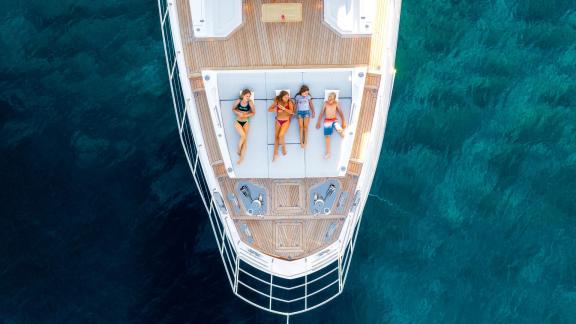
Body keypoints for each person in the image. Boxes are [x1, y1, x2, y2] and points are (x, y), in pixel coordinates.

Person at [316, 92, 346, 159]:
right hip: (327, 121)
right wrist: (318, 122)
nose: (330, 99)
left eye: (332, 98)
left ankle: (342, 134)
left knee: (340, 130)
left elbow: (341, 113)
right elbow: (321, 113)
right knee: (327, 137)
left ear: (334, 99)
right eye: (329, 97)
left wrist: (343, 121)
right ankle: (328, 153)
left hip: (334, 120)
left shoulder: (336, 103)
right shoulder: (325, 103)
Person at [268, 90, 294, 162]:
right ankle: (275, 154)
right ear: (281, 97)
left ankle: (283, 147)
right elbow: (269, 109)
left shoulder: (289, 102)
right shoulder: (277, 102)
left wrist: (284, 109)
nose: (287, 98)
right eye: (285, 97)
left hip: (286, 121)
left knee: (281, 135)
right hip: (278, 121)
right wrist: (277, 110)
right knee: (276, 137)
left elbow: (292, 112)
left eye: (288, 96)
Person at [232, 89, 255, 164]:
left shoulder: (250, 102)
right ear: (243, 95)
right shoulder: (238, 101)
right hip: (238, 121)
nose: (248, 97)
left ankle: (241, 158)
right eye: (247, 96)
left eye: (249, 96)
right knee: (243, 136)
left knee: (245, 140)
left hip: (246, 122)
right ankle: (238, 149)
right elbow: (233, 109)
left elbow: (253, 112)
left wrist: (245, 115)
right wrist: (238, 113)